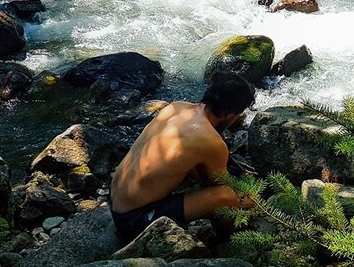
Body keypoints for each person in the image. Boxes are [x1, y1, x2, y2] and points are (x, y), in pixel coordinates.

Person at [109, 72, 256, 240]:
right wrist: (245, 201)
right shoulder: (211, 141)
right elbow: (217, 186)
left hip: (114, 198)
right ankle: (230, 239)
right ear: (231, 114)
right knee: (227, 196)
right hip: (133, 220)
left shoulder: (176, 107)